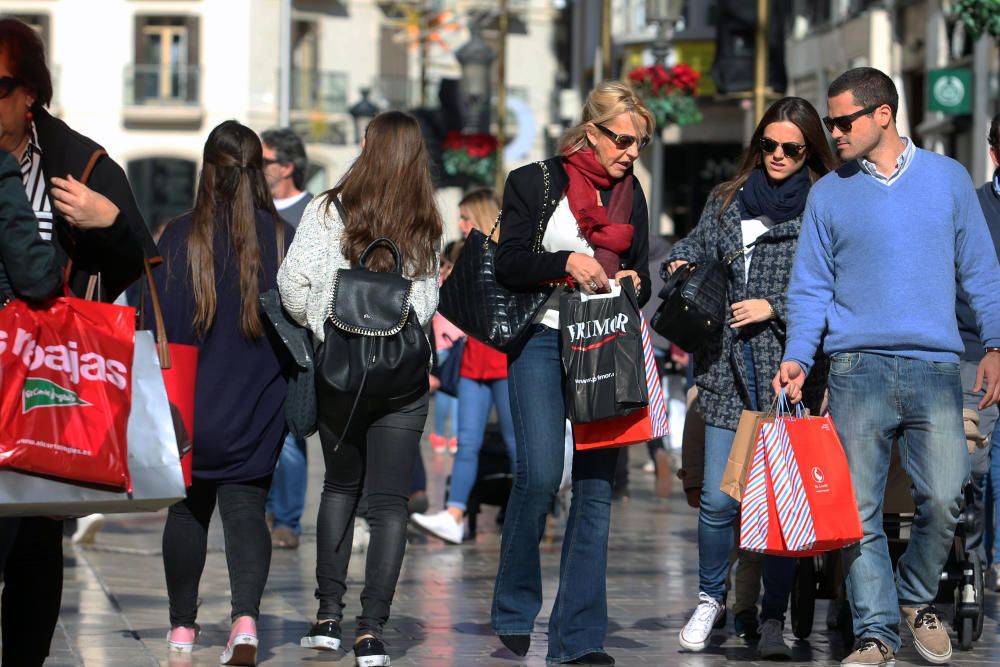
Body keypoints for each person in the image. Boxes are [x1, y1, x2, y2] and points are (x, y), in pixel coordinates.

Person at [774, 67, 1000, 666]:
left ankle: (914, 597)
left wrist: (998, 344)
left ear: (883, 115)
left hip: (934, 369)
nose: (833, 132)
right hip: (855, 369)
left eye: (843, 120)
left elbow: (981, 271)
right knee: (859, 512)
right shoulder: (829, 193)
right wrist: (799, 356)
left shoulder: (949, 181)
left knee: (948, 496)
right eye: (830, 121)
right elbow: (810, 288)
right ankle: (876, 634)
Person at [0, 18, 155, 667]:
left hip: (46, 384)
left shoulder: (79, 162)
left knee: (36, 538)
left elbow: (144, 263)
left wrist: (109, 221)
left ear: (28, 91)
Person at [664, 96, 837, 658]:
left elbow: (841, 288)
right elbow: (696, 243)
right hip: (721, 370)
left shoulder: (827, 204)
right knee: (718, 501)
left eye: (792, 147)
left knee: (780, 510)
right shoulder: (727, 198)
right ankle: (711, 598)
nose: (779, 156)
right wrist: (679, 260)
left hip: (786, 377)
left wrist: (774, 306)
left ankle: (771, 618)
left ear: (810, 148)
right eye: (770, 145)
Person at [490, 80, 652, 666]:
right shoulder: (533, 181)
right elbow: (508, 261)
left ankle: (579, 638)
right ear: (592, 131)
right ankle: (513, 606)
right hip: (539, 336)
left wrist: (634, 282)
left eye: (640, 144)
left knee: (595, 489)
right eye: (624, 140)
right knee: (537, 475)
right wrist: (566, 262)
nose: (631, 153)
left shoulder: (634, 193)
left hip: (605, 343)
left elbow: (641, 269)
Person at [277, 110, 442, 667]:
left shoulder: (328, 209)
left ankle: (328, 617)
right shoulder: (426, 221)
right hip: (401, 381)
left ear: (368, 147)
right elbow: (424, 307)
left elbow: (289, 285)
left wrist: (330, 325)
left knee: (340, 490)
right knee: (390, 505)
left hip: (340, 376)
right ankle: (371, 631)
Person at [153, 120, 293, 665]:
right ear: (257, 171)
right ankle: (245, 623)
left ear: (208, 170)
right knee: (246, 510)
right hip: (257, 402)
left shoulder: (177, 234)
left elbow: (151, 318)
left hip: (188, 403)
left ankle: (183, 630)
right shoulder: (279, 238)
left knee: (186, 513)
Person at [411, 188, 518, 544]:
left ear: (483, 218)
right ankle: (455, 514)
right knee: (467, 443)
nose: (459, 225)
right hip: (475, 359)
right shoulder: (467, 254)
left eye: (466, 218)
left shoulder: (509, 253)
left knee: (515, 444)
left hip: (504, 358)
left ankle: (523, 516)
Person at [260, 127, 313, 550]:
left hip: (297, 338)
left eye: (264, 162)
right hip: (253, 336)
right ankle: (258, 509)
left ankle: (288, 520)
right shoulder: (250, 209)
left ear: (287, 166)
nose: (257, 170)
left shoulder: (312, 213)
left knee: (292, 436)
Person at [957, 112, 1000, 589]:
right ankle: (973, 565)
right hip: (975, 357)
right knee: (976, 466)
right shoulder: (970, 208)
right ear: (994, 155)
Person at [429, 240, 464, 455]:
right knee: (448, 393)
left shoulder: (449, 284)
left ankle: (448, 436)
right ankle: (445, 435)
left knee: (451, 393)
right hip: (446, 345)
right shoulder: (445, 285)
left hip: (452, 345)